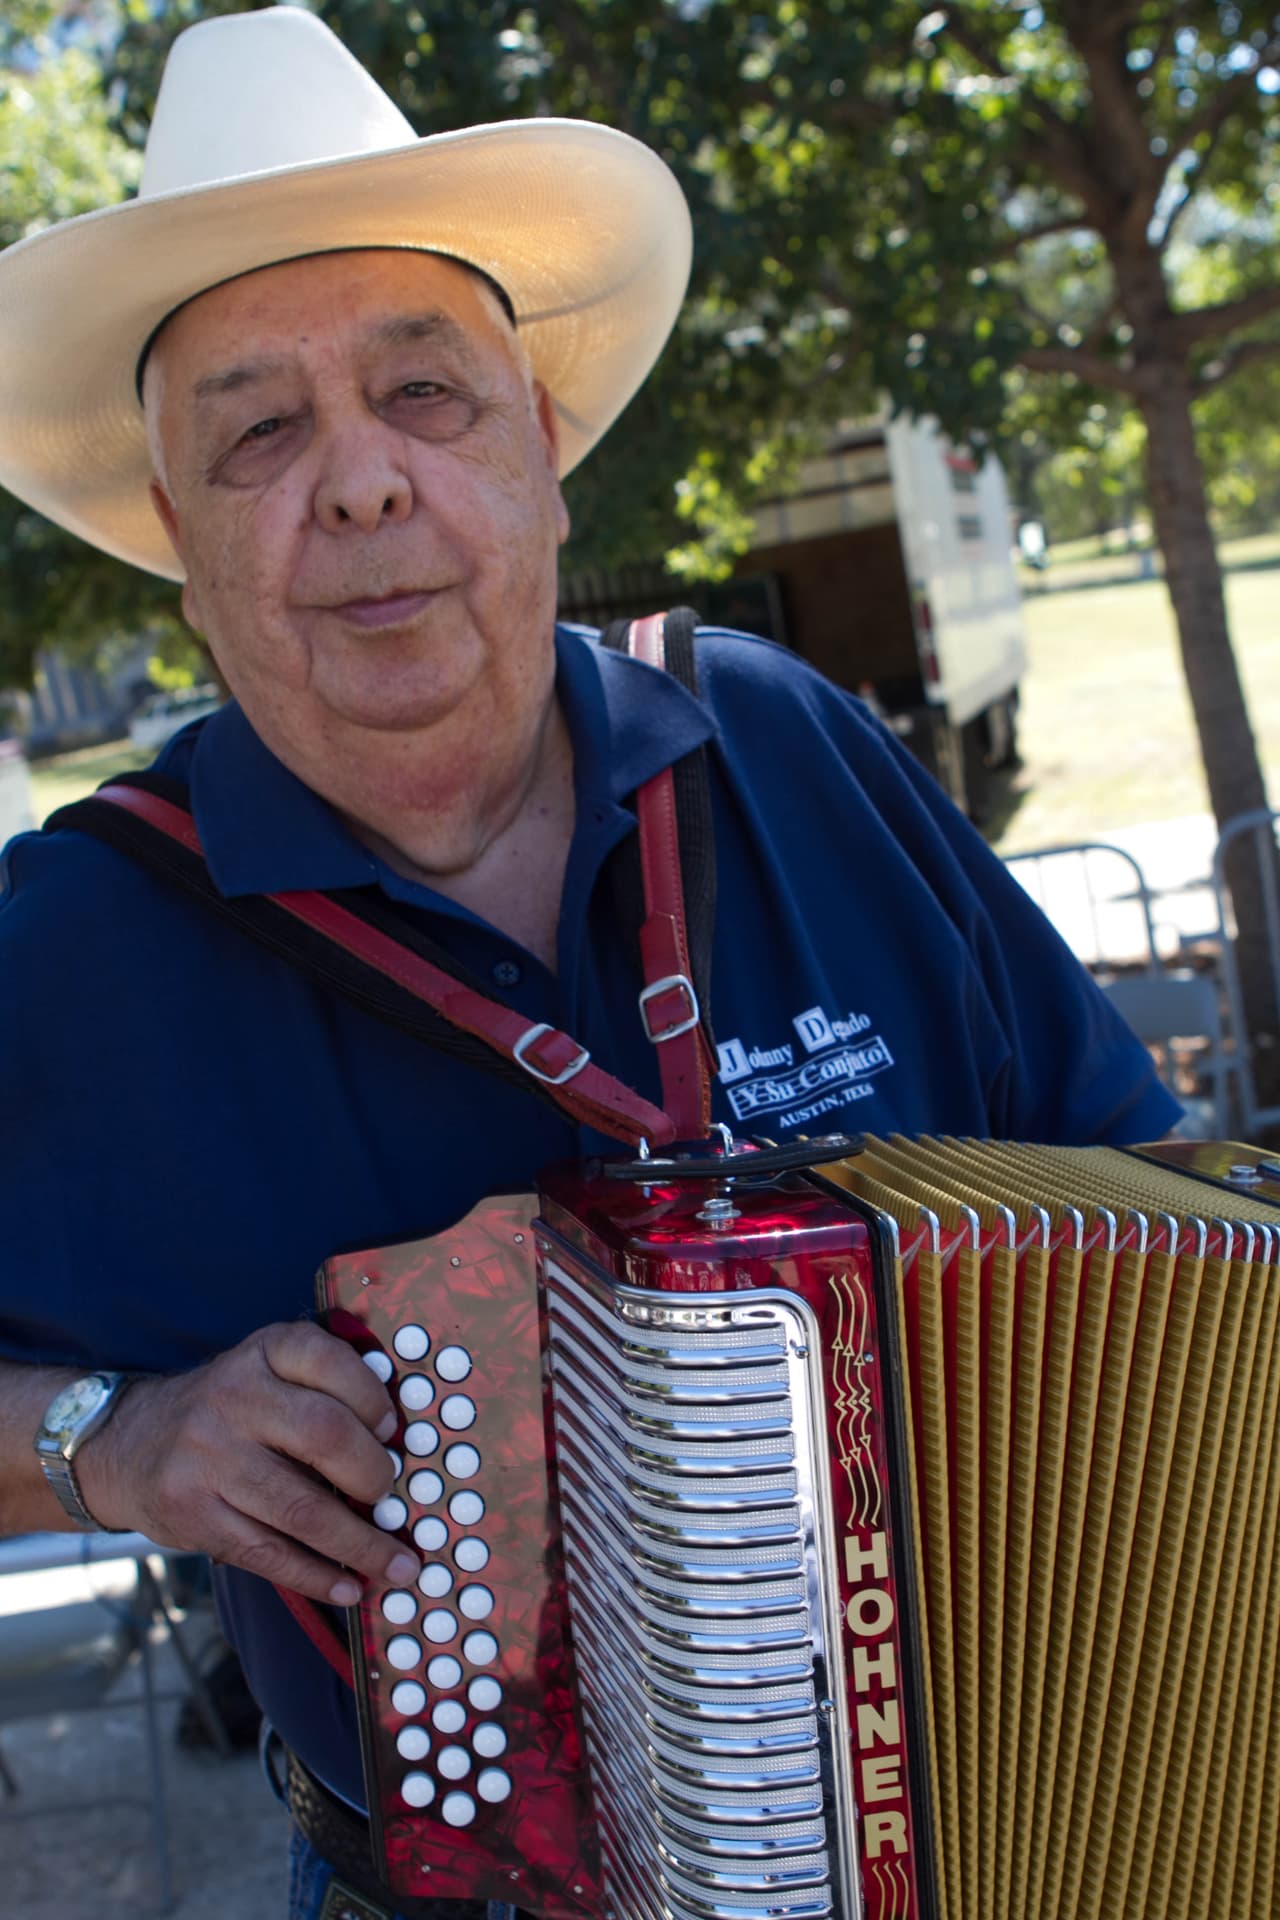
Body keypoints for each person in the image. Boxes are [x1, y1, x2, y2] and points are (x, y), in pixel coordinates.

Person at [0, 10, 1178, 1919]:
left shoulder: (784, 746)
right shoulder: (81, 943)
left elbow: (1131, 1173)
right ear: (175, 541)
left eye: (427, 395)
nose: (365, 484)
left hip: (1023, 1821)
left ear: (543, 453)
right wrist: (110, 1443)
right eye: (260, 431)